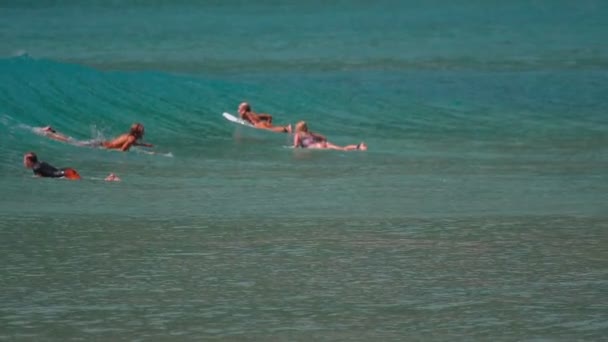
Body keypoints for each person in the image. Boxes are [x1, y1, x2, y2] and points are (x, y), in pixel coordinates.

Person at [36, 123, 154, 152]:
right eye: (142, 130)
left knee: (73, 140)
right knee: (71, 142)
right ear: (138, 132)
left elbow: (129, 143)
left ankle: (52, 130)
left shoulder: (128, 136)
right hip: (100, 145)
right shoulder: (131, 139)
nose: (144, 132)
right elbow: (123, 150)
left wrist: (144, 145)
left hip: (101, 143)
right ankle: (49, 133)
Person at [293, 121, 367, 151]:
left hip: (316, 146)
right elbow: (324, 138)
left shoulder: (298, 135)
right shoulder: (310, 133)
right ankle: (358, 146)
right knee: (342, 148)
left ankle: (359, 147)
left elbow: (296, 146)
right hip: (324, 143)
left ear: (298, 128)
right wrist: (323, 142)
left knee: (343, 150)